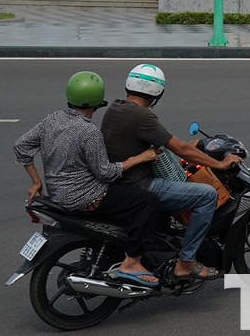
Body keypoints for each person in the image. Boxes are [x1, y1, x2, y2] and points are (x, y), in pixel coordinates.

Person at [14, 72, 164, 287]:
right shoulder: (89, 131)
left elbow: (21, 146)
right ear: (98, 101)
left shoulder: (52, 119)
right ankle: (132, 262)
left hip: (58, 196)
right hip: (86, 198)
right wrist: (140, 158)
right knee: (147, 201)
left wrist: (35, 181)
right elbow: (106, 173)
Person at [100, 64, 243, 285]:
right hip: (140, 185)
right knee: (206, 195)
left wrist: (189, 145)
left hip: (119, 183)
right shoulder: (142, 116)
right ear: (158, 92)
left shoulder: (115, 109)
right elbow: (181, 149)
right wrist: (221, 164)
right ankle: (185, 262)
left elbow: (161, 144)